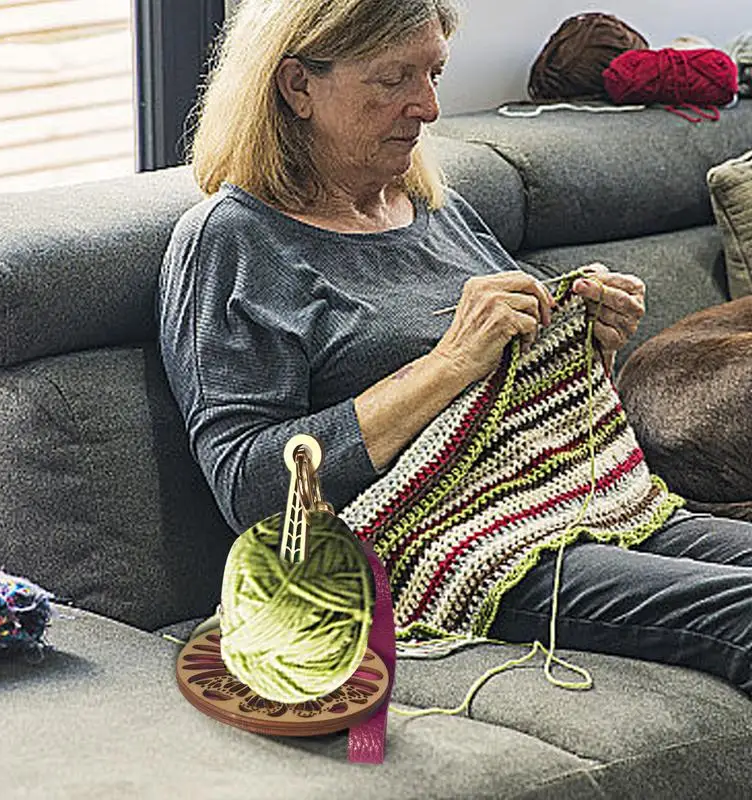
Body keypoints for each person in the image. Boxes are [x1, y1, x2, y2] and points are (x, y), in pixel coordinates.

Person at [158, 0, 752, 696]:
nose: (430, 106)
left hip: (587, 503)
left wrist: (589, 347)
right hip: (450, 550)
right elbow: (250, 488)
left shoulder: (432, 208)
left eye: (434, 73)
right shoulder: (231, 242)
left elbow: (529, 400)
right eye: (394, 79)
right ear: (298, 87)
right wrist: (446, 365)